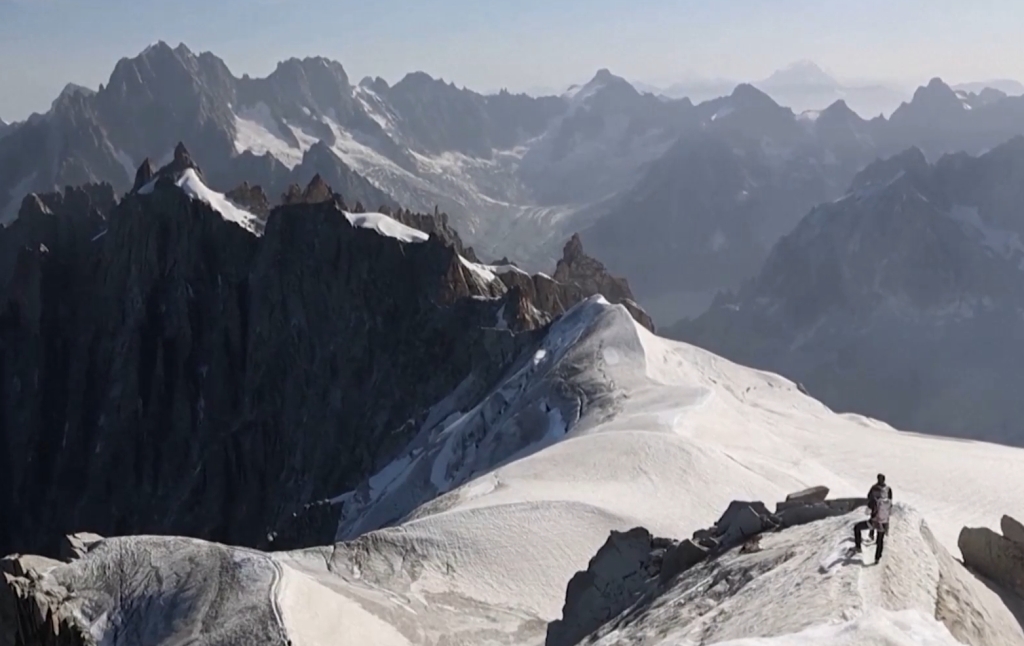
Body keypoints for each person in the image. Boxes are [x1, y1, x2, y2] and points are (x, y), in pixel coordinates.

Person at [855, 474, 893, 561]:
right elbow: (890, 506)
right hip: (884, 521)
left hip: (874, 520)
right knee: (880, 539)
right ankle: (877, 557)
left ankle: (859, 546)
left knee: (857, 527)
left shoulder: (874, 488)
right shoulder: (889, 489)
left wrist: (871, 506)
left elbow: (868, 506)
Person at [866, 474, 893, 541]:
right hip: (876, 507)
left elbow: (890, 499)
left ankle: (882, 537)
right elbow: (869, 496)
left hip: (884, 508)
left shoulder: (887, 488)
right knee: (874, 520)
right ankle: (872, 535)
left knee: (883, 522)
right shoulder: (874, 487)